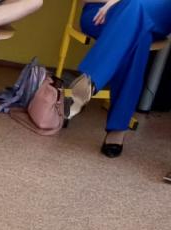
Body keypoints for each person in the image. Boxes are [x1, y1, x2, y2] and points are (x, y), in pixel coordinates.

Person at [64, 0, 171, 157]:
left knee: (136, 8)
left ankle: (93, 78)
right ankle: (118, 127)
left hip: (157, 10)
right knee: (139, 35)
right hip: (102, 12)